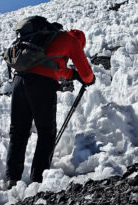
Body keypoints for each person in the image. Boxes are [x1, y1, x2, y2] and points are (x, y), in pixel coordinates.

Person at [6, 18, 95, 186]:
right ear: (80, 41)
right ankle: (38, 180)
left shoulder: (46, 38)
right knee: (46, 133)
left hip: (19, 80)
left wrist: (72, 75)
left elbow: (55, 66)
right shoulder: (72, 41)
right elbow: (86, 73)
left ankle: (12, 178)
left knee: (18, 131)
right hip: (41, 85)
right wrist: (87, 79)